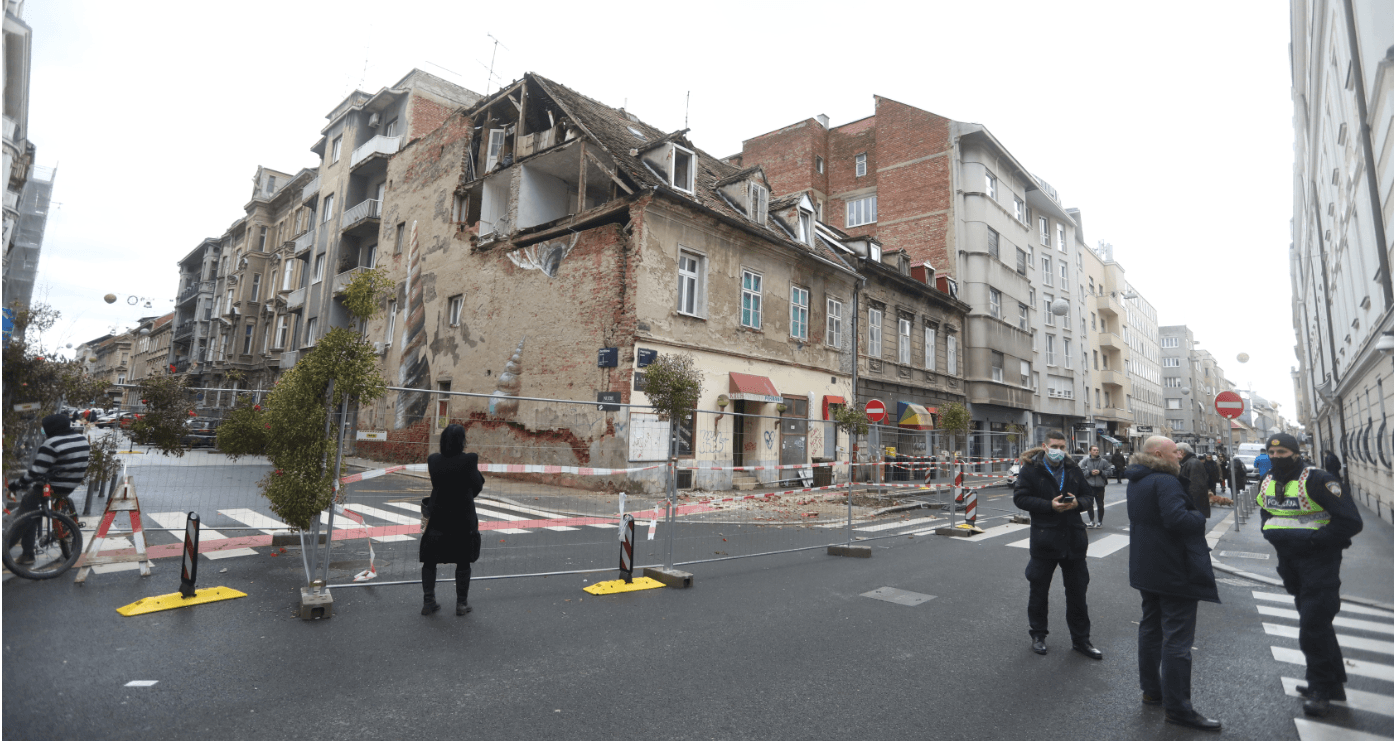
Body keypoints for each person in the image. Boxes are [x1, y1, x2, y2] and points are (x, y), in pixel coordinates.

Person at [1256, 433, 1363, 717]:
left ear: (1296, 452)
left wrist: (1315, 542)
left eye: (1283, 453)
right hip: (1289, 564)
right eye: (1272, 453)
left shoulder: (1318, 480)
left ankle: (1318, 689)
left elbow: (1350, 521)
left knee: (1312, 626)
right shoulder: (1267, 481)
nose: (1277, 458)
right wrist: (1272, 534)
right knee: (1318, 624)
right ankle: (1333, 685)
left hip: (1320, 563)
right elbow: (1267, 515)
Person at [1125, 435, 1222, 731]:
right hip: (1173, 569)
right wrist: (1198, 517)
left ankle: (1152, 691)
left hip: (1146, 567)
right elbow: (1177, 519)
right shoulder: (1164, 481)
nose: (1179, 457)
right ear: (1158, 453)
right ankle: (1179, 709)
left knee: (1151, 629)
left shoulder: (1137, 479)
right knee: (1177, 640)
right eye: (1174, 452)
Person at [1012, 430, 1100, 660]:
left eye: (1062, 447)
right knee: (1039, 591)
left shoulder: (1073, 469)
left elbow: (1089, 497)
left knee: (1077, 593)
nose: (1059, 451)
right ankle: (1038, 635)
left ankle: (1082, 640)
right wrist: (1048, 505)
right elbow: (1020, 498)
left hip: (1073, 540)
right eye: (1055, 446)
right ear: (1044, 446)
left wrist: (1076, 505)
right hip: (1045, 540)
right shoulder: (1031, 469)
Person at [6, 414, 92, 565]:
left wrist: (16, 484)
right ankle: (27, 553)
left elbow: (35, 472)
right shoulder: (81, 439)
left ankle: (7, 550)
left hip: (51, 486)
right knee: (33, 514)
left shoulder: (52, 443)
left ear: (51, 428)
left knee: (23, 514)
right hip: (70, 485)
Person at [419, 423, 485, 617]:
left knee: (430, 560)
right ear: (461, 441)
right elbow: (477, 486)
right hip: (462, 517)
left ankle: (428, 602)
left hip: (437, 516)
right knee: (463, 561)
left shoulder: (433, 461)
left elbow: (436, 483)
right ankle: (461, 604)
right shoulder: (469, 460)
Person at [1177, 443, 1211, 520]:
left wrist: (1192, 511)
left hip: (1194, 510)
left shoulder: (1193, 463)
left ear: (1181, 452)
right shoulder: (1188, 462)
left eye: (1175, 451)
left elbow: (1196, 489)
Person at [1081, 445, 1110, 529]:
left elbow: (1110, 471)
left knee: (1100, 504)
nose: (1096, 451)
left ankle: (1100, 522)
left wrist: (1100, 472)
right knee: (1090, 504)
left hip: (1100, 486)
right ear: (1090, 451)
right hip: (1089, 486)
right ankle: (1091, 521)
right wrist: (1090, 473)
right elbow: (1081, 472)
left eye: (1097, 450)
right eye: (1094, 450)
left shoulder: (1103, 461)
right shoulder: (1085, 461)